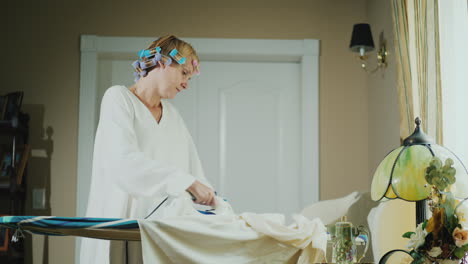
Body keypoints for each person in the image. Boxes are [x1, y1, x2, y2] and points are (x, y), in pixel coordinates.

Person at [79, 35, 216, 264]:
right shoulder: (118, 99)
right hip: (120, 224)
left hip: (156, 232)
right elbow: (123, 162)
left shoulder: (173, 116)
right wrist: (186, 182)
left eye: (190, 77)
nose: (186, 84)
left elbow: (193, 171)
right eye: (184, 73)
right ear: (162, 62)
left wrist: (212, 202)